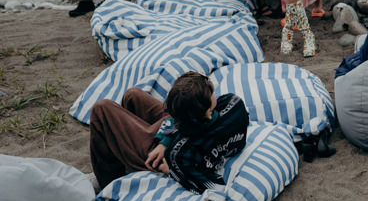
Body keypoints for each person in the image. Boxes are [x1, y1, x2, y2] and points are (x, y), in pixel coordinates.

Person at [89, 71, 249, 192]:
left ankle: (109, 184)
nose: (214, 91)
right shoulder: (234, 105)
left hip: (156, 154)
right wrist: (165, 140)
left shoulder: (179, 155)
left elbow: (211, 187)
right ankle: (123, 154)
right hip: (186, 130)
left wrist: (169, 168)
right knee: (132, 96)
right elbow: (192, 123)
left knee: (101, 109)